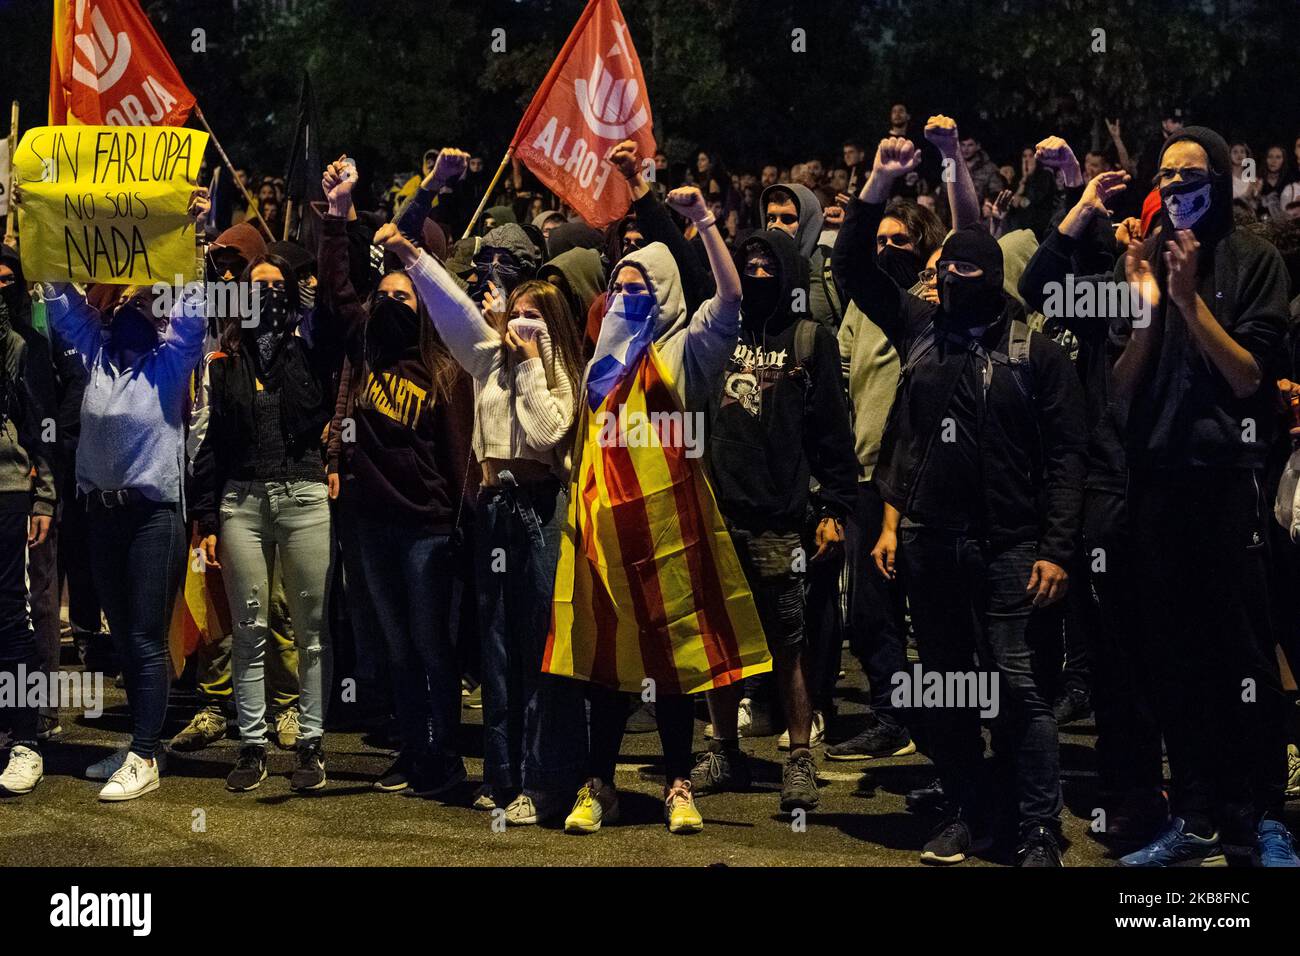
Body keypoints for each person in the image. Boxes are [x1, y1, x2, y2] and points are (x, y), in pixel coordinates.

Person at [834, 136, 1086, 867]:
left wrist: (1057, 548)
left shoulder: (1035, 351)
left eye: (962, 268)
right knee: (939, 693)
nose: (947, 278)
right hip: (926, 542)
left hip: (1012, 548)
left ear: (991, 276)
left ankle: (1039, 828)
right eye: (942, 267)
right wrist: (880, 180)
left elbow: (1071, 455)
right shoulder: (917, 328)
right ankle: (972, 809)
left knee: (1014, 689)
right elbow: (852, 267)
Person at [545, 185, 770, 836]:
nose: (627, 297)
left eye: (641, 287)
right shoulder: (601, 366)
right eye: (620, 287)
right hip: (607, 537)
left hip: (674, 531)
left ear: (668, 293)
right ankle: (600, 787)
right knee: (611, 670)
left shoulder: (688, 350)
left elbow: (730, 296)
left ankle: (677, 785)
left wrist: (700, 220)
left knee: (673, 664)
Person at [1101, 126, 1298, 868]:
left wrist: (1189, 303)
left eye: (1192, 175)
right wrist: (1150, 306)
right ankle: (1198, 815)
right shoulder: (1144, 260)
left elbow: (1250, 375)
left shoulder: (1256, 260)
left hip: (1228, 479)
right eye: (1166, 177)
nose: (1179, 188)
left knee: (1243, 656)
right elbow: (1121, 389)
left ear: (1222, 177)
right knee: (1174, 657)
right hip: (1157, 479)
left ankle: (1265, 817)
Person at [376, 147, 590, 825]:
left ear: (547, 321)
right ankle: (503, 779)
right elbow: (448, 305)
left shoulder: (549, 366)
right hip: (493, 509)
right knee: (493, 651)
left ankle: (541, 780)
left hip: (539, 508)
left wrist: (529, 363)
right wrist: (412, 257)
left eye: (527, 312)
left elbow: (552, 433)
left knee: (536, 651)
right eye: (506, 307)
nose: (509, 317)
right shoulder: (485, 356)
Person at [37, 189, 211, 801]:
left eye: (142, 301)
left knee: (142, 635)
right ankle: (142, 741)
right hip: (102, 515)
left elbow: (193, 309)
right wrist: (45, 226)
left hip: (152, 517)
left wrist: (194, 230)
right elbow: (59, 301)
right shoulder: (98, 360)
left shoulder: (168, 365)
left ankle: (143, 754)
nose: (128, 308)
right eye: (121, 304)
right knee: (121, 635)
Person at [318, 155, 476, 799]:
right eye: (380, 295)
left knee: (432, 647)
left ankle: (446, 757)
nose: (386, 302)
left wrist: (433, 192)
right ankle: (415, 753)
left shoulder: (441, 364)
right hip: (370, 524)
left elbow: (459, 454)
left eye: (400, 297)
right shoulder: (364, 343)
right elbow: (337, 286)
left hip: (426, 530)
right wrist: (336, 215)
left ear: (422, 307)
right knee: (395, 651)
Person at [689, 227, 857, 814]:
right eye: (748, 262)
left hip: (782, 520)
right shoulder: (716, 332)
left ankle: (800, 756)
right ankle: (723, 751)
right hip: (717, 514)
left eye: (768, 263)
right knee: (717, 641)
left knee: (790, 645)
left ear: (789, 272)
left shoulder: (811, 338)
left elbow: (833, 434)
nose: (758, 270)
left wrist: (834, 510)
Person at [190, 248, 342, 793]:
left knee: (310, 631)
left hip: (303, 495)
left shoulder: (312, 353)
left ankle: (311, 744)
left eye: (279, 287)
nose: (269, 296)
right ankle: (252, 747)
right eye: (258, 287)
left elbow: (336, 306)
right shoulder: (224, 363)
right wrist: (206, 514)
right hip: (242, 503)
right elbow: (208, 445)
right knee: (249, 627)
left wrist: (336, 224)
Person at [0, 279, 57, 796]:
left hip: (6, 489)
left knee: (10, 613)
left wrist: (45, 497)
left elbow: (42, 427)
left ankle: (27, 737)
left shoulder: (18, 346)